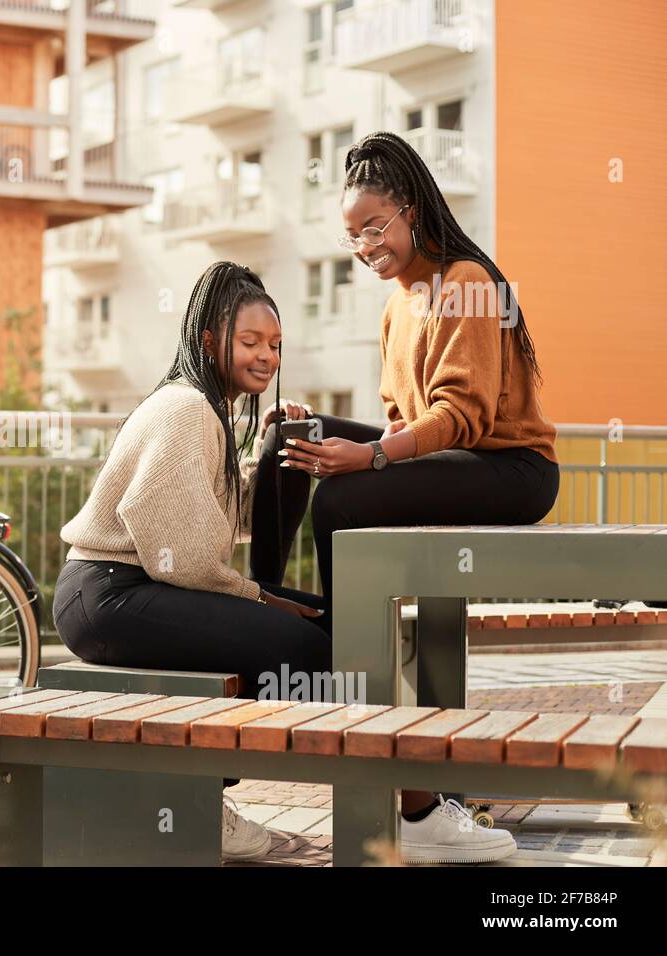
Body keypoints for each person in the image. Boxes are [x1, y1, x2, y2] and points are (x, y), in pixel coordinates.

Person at [252, 131, 560, 864]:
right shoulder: (397, 306)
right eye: (351, 234)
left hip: (508, 467)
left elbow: (462, 417)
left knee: (339, 502)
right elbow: (402, 418)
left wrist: (370, 458)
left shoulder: (468, 283)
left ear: (412, 211)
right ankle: (263, 595)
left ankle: (339, 650)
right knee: (295, 437)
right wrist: (349, 442)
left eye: (374, 227)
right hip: (452, 458)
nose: (363, 246)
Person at [54, 261, 329, 862]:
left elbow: (223, 525)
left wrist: (270, 447)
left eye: (275, 345)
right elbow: (179, 557)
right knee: (301, 646)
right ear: (210, 339)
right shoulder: (185, 411)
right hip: (107, 594)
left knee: (330, 623)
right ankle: (197, 801)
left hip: (132, 588)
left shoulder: (213, 412)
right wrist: (263, 599)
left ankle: (198, 791)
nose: (266, 357)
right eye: (250, 341)